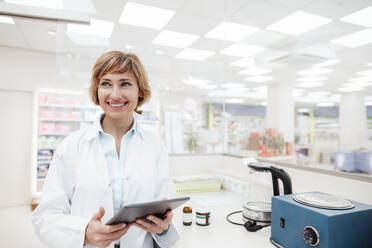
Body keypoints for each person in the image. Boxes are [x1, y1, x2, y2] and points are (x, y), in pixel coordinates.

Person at [32, 51, 180, 248]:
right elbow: (45, 217)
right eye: (106, 84)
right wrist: (84, 232)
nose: (115, 94)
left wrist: (163, 228)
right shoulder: (70, 147)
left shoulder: (155, 147)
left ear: (140, 91)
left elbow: (165, 209)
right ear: (97, 91)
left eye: (125, 83)